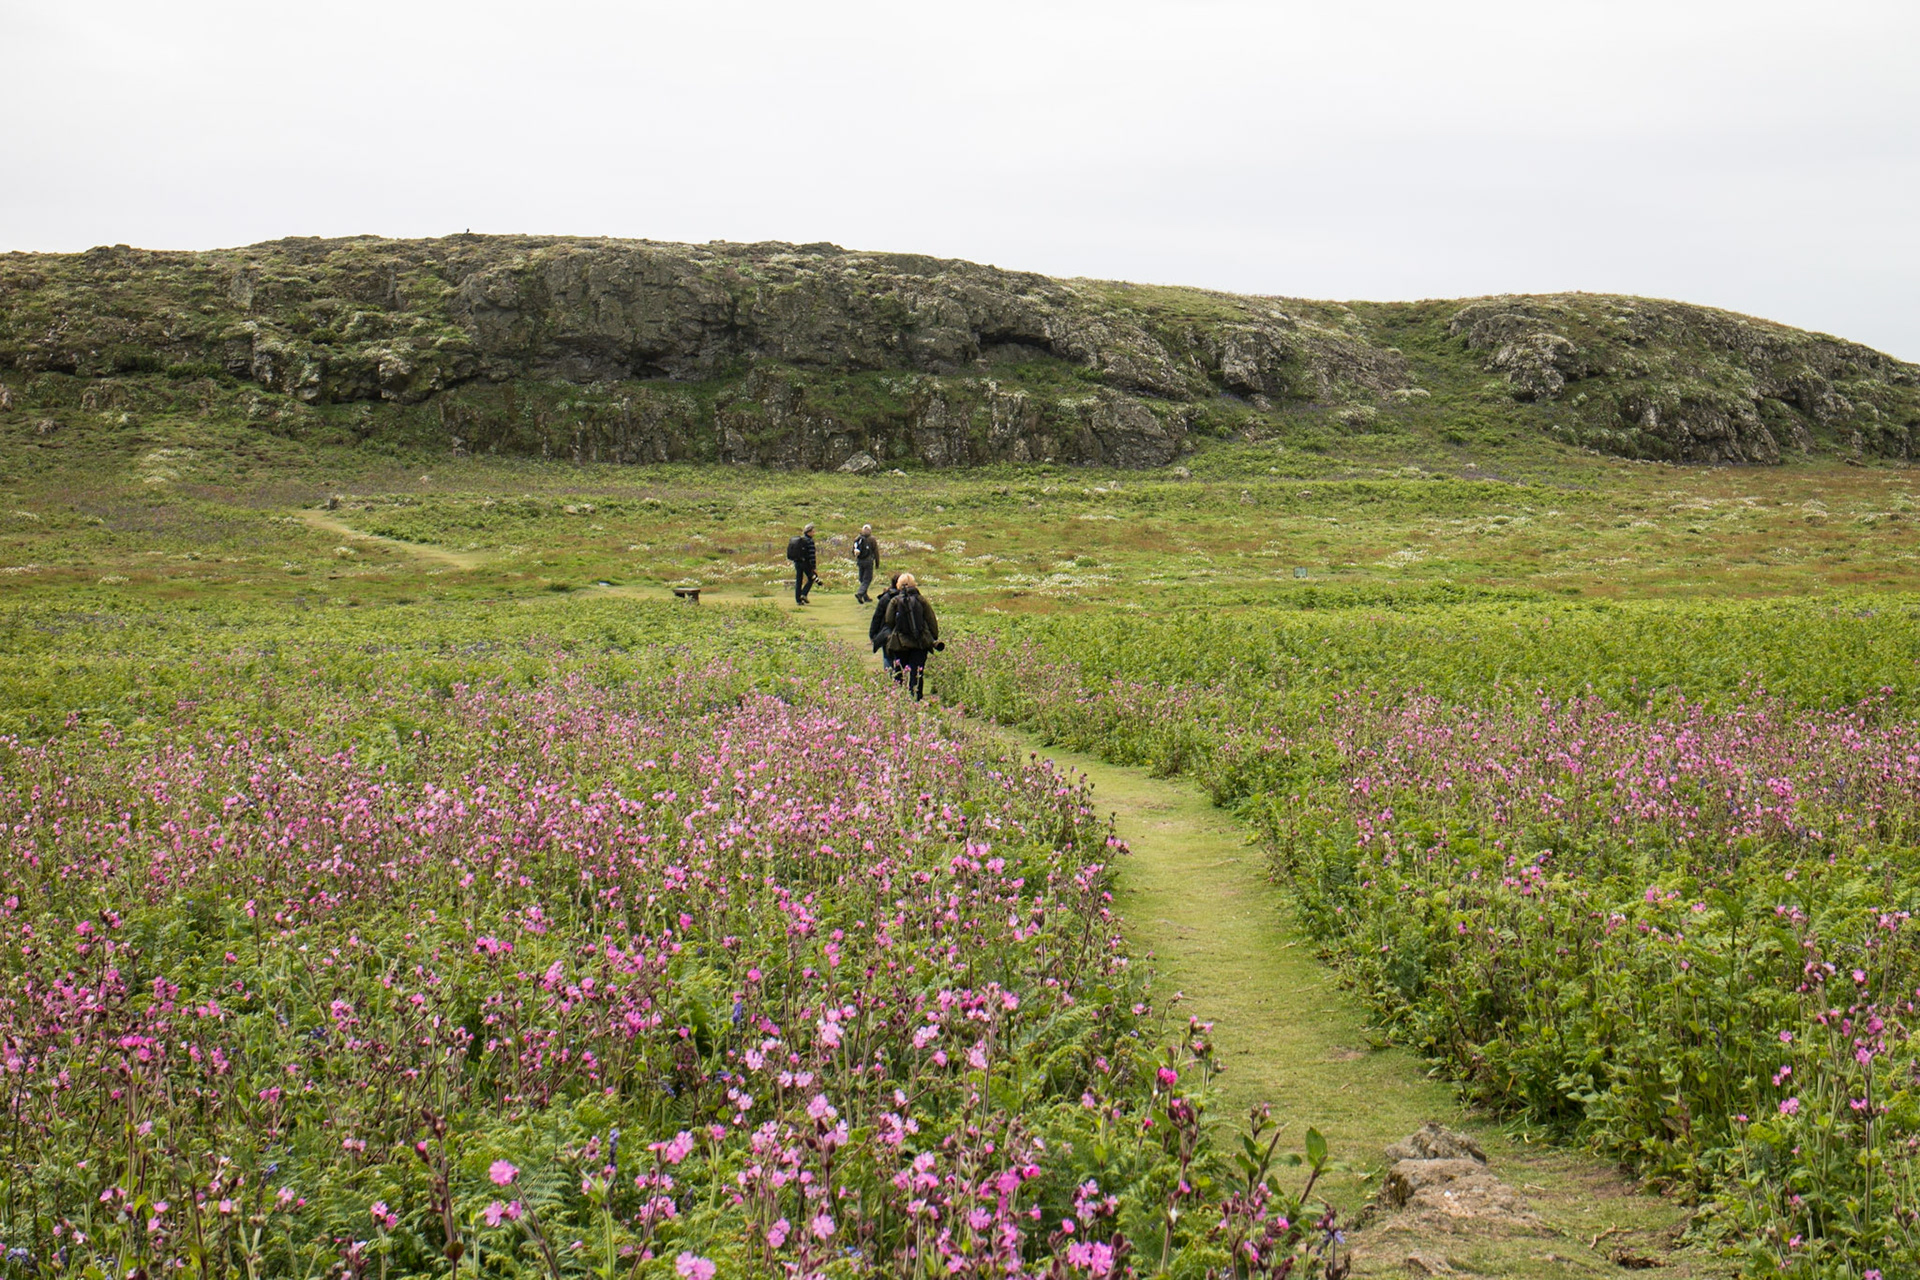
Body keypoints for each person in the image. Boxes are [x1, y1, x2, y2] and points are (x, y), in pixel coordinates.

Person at [884, 572, 941, 701]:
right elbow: (931, 619)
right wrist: (933, 638)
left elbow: (889, 620)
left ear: (898, 585)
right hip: (920, 642)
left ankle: (897, 696)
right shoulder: (921, 600)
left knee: (899, 671)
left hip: (900, 643)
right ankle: (915, 697)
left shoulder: (894, 601)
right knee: (917, 672)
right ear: (914, 584)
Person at [869, 572, 901, 670]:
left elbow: (877, 617)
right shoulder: (906, 597)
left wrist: (873, 634)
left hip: (886, 632)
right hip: (901, 633)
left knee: (887, 656)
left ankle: (889, 681)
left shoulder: (886, 597)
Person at [785, 523, 817, 605]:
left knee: (799, 580)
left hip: (797, 562)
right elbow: (811, 555)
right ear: (809, 532)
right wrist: (813, 567)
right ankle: (803, 594)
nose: (814, 532)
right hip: (806, 563)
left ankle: (798, 600)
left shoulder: (800, 540)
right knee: (812, 578)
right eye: (813, 531)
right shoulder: (809, 541)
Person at [852, 524, 881, 604]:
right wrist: (877, 563)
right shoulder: (872, 539)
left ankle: (865, 597)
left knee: (862, 579)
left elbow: (853, 551)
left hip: (860, 561)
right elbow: (876, 552)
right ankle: (860, 594)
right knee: (867, 579)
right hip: (868, 562)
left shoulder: (857, 539)